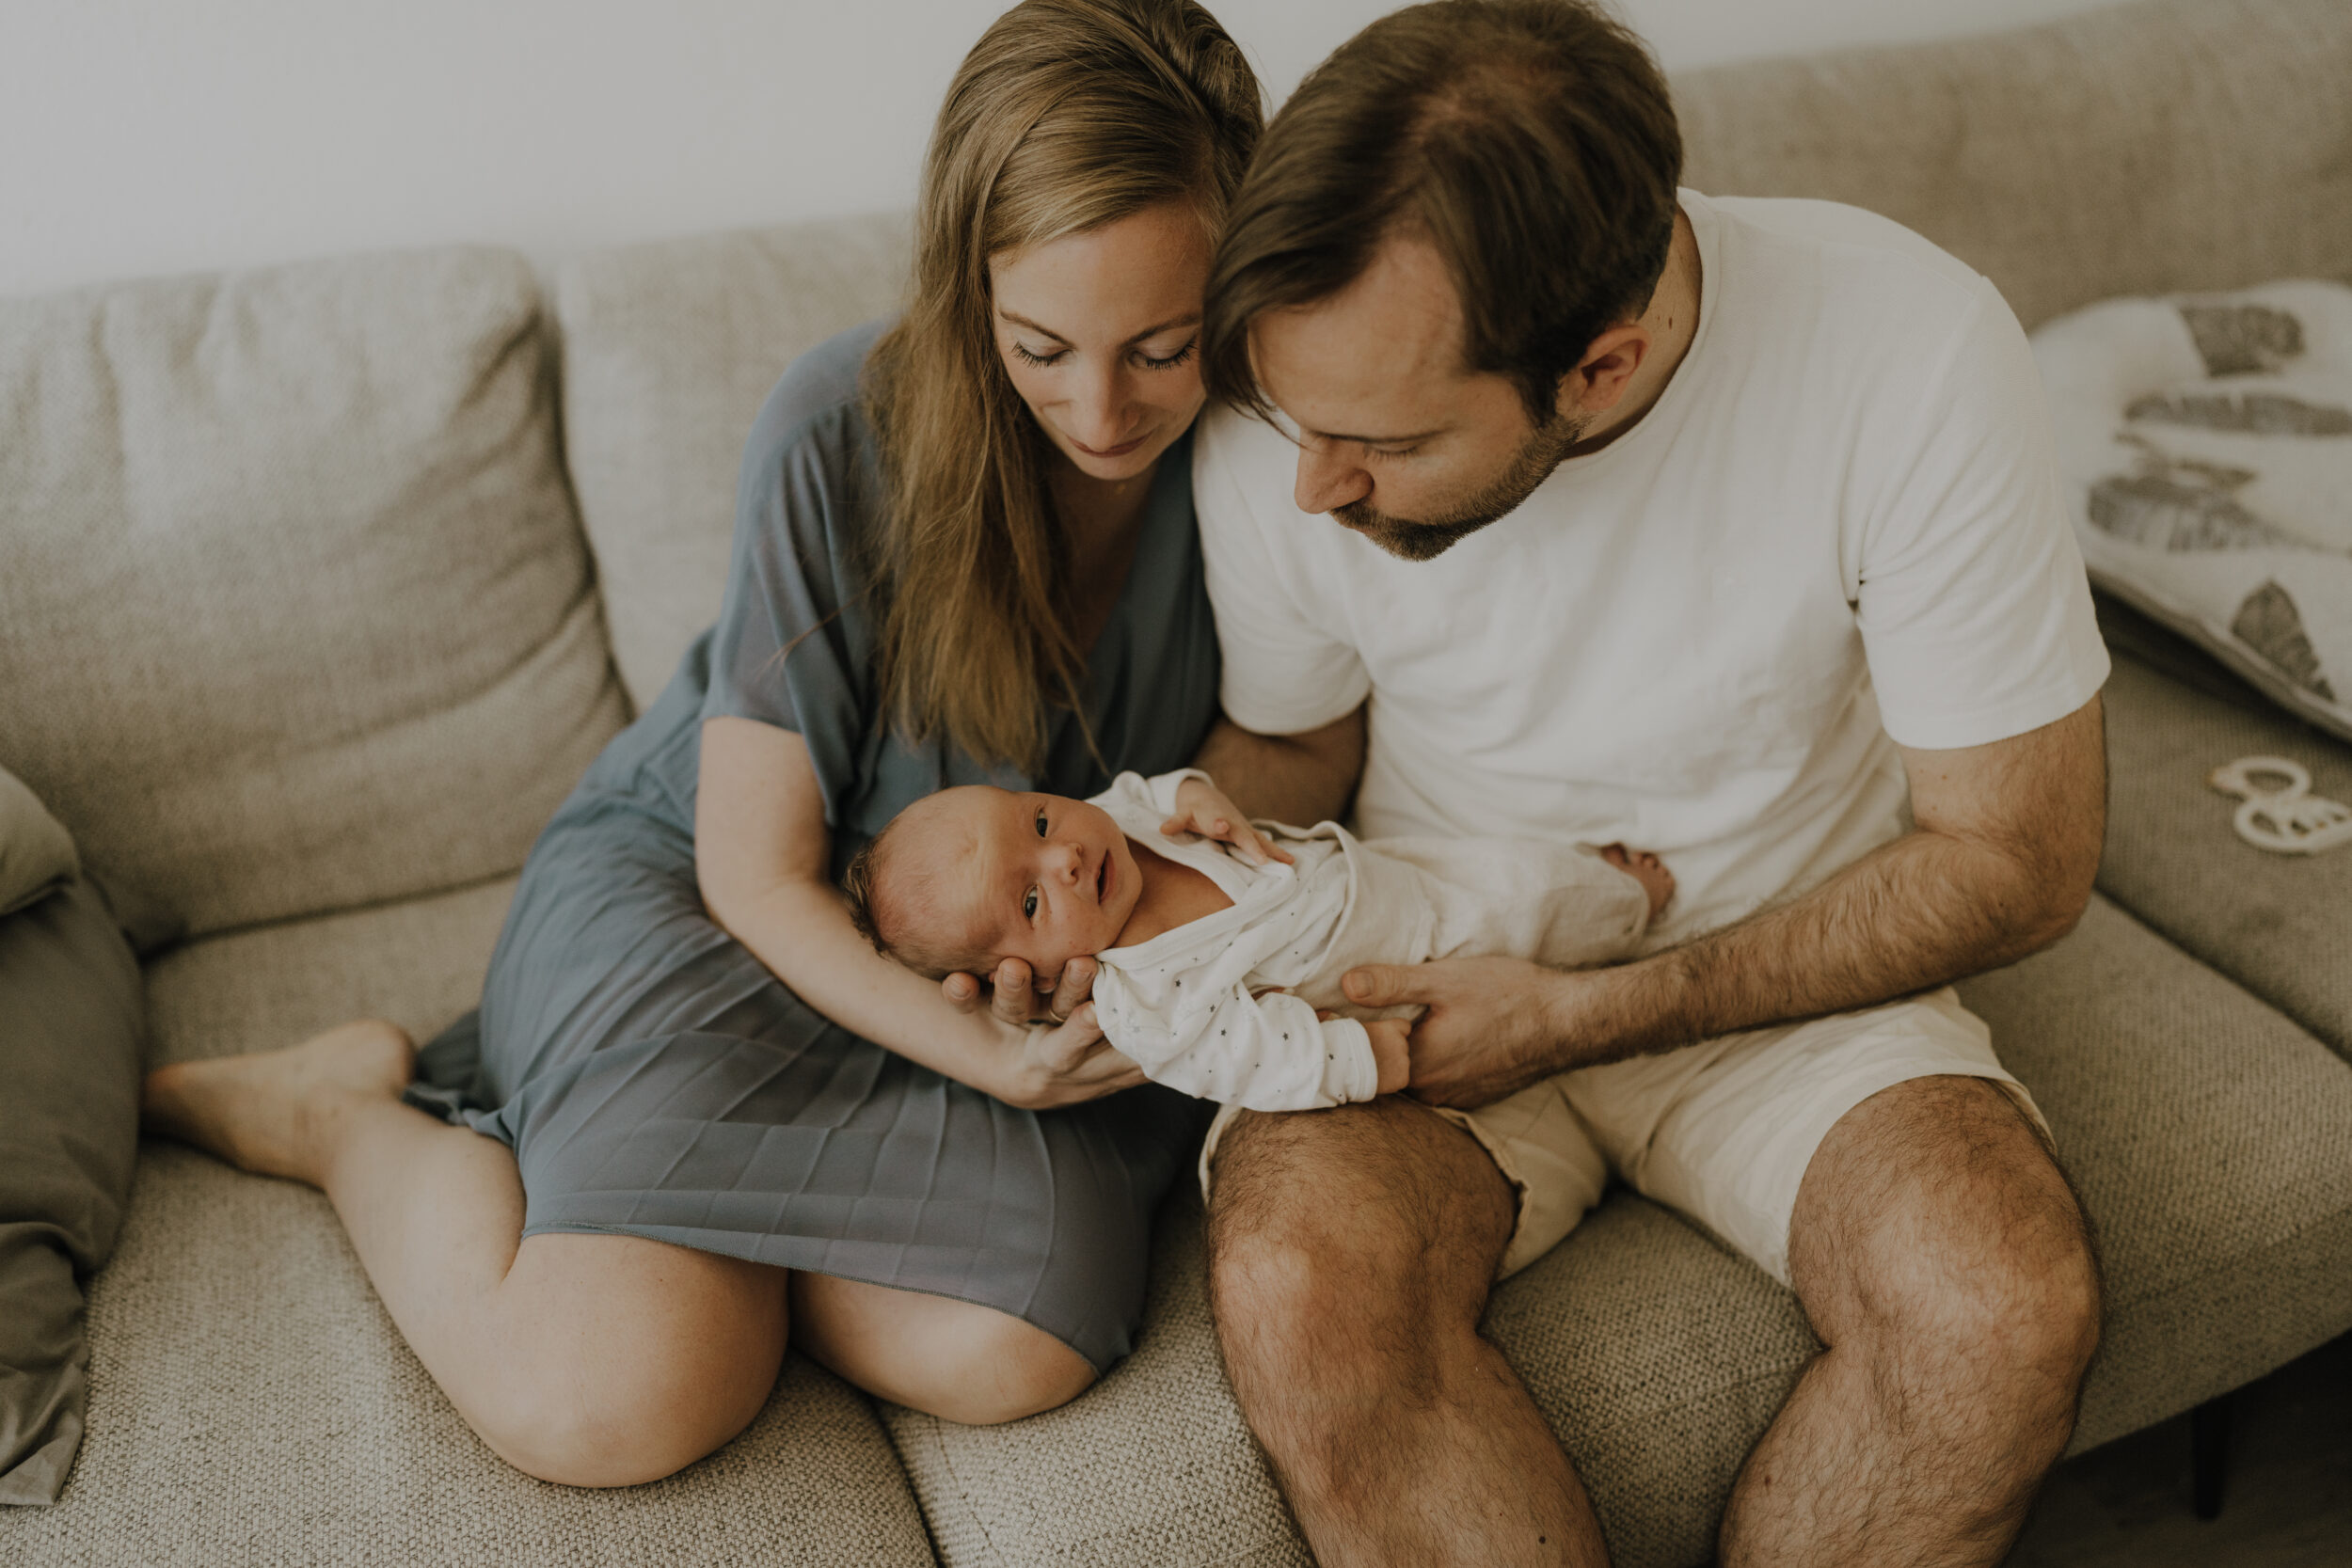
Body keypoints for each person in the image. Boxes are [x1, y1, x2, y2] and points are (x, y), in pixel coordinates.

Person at [138, 0, 1262, 1487]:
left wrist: (1173, 887)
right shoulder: (839, 428)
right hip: (714, 899)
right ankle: (339, 1113)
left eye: (1163, 348)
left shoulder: (1271, 451)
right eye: (1040, 346)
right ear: (967, 285)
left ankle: (720, 1231)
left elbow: (1290, 750)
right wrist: (991, 1065)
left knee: (1012, 1340)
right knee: (608, 1396)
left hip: (979, 955)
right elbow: (755, 870)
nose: (1102, 410)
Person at [1175, 1, 2111, 1562]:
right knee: (1296, 1285)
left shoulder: (1906, 352)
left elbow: (2018, 856)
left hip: (1787, 976)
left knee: (2000, 1307)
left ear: (1599, 369)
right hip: (1423, 965)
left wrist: (1584, 1010)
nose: (1314, 486)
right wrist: (1162, 863)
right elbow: (1291, 739)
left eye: (1383, 445)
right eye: (1293, 421)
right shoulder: (1298, 406)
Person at [842, 767, 1669, 1112]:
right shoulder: (1144, 1002)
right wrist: (1362, 1059)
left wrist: (1194, 793)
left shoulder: (1117, 820)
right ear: (1020, 972)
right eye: (1030, 899)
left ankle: (1594, 888)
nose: (1064, 858)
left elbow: (1148, 788)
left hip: (1373, 870)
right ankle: (1636, 911)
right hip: (1411, 958)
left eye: (1038, 820)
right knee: (1530, 902)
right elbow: (1251, 1060)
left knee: (1503, 861)